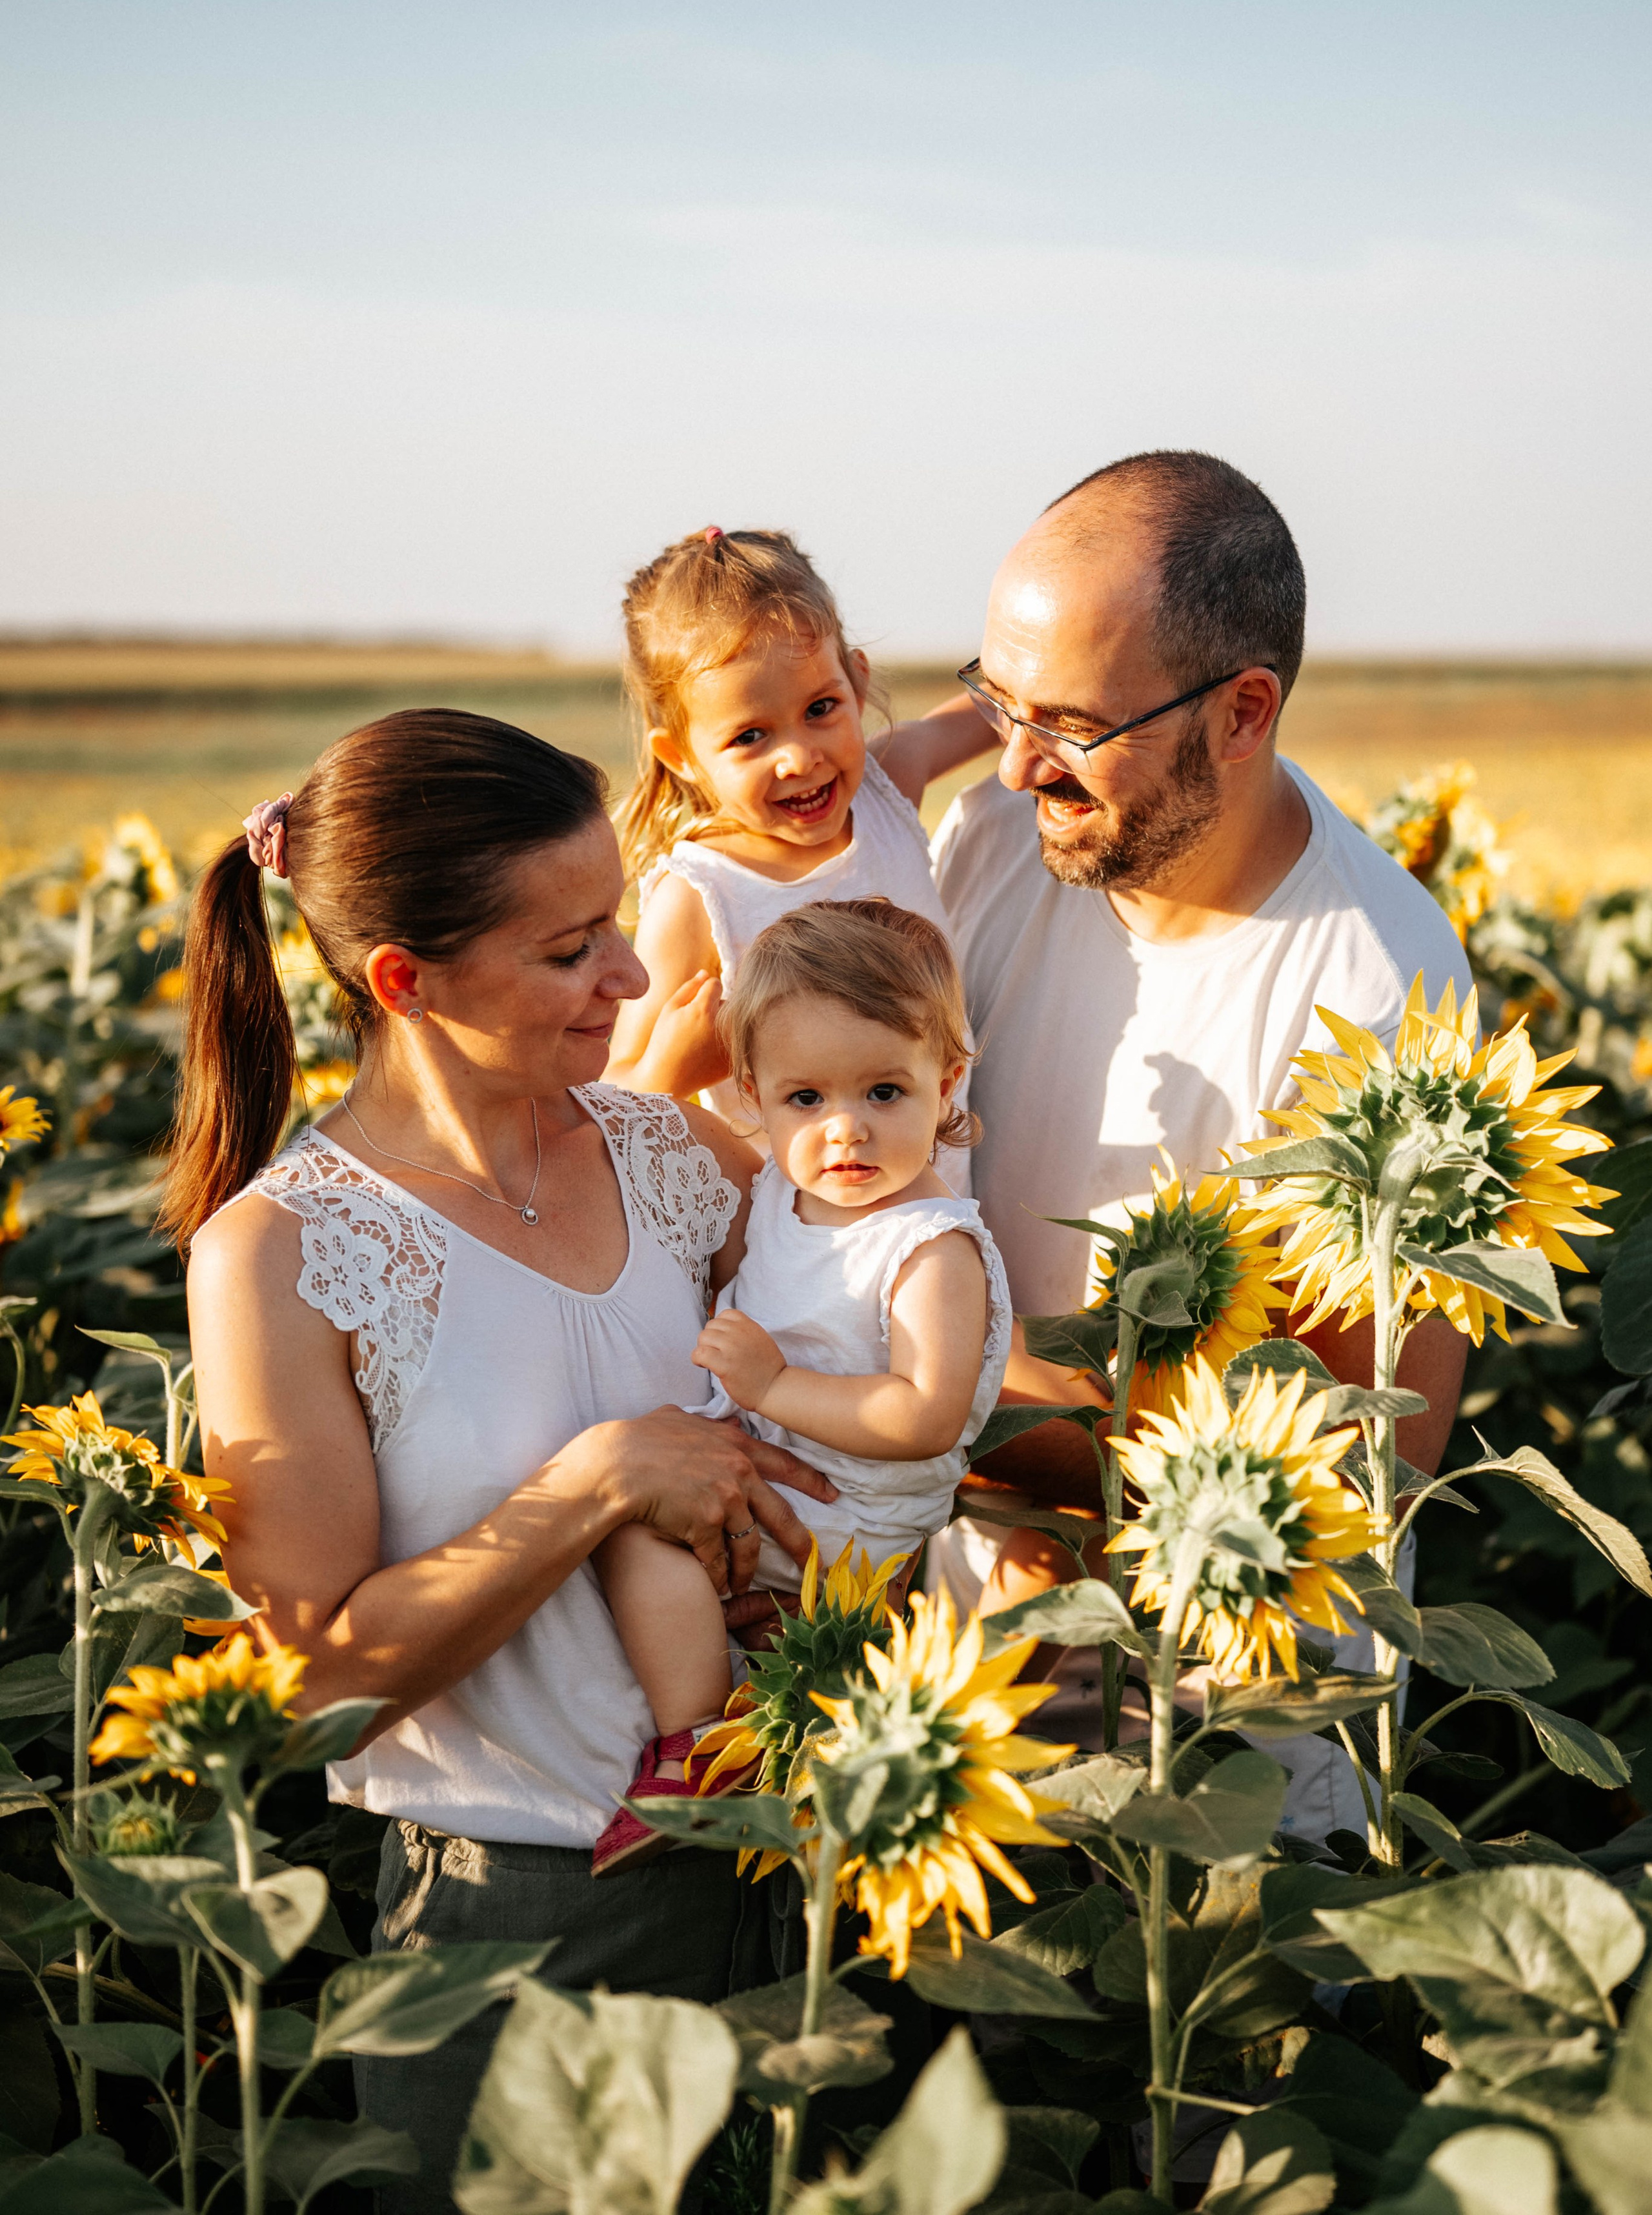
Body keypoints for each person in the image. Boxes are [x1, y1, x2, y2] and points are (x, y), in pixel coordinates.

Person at [168, 708, 837, 2215]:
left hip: (780, 1881)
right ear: (405, 980)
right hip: (510, 1930)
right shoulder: (282, 1252)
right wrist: (590, 1484)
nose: (634, 975)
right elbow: (313, 1680)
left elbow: (880, 1334)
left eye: (618, 921)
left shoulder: (671, 1157)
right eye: (570, 947)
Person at [929, 450, 1473, 1833]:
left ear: (1241, 713)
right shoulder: (991, 839)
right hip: (963, 1690)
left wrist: (905, 1399)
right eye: (995, 699)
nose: (1012, 761)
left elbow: (1360, 1456)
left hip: (1226, 1741)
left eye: (1067, 722)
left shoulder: (1376, 989)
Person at [590, 900, 1010, 1874]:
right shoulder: (779, 1195)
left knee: (638, 1534)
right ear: (754, 1098)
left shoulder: (930, 1248)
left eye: (885, 1094)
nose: (846, 1131)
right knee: (628, 1530)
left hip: (851, 1528)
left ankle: (703, 1750)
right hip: (769, 1495)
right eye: (807, 1100)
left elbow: (924, 1414)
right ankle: (706, 1736)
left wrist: (772, 1386)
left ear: (946, 1083)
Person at [602, 525, 992, 1180]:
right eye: (750, 736)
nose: (799, 756)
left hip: (938, 1207)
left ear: (857, 685)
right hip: (796, 1250)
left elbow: (1007, 699)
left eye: (821, 708)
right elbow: (605, 1101)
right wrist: (670, 1071)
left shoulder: (885, 789)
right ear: (684, 759)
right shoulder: (703, 893)